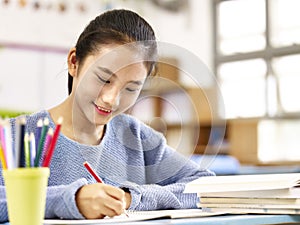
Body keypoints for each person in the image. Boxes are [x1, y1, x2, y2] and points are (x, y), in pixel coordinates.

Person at [0, 9, 214, 221]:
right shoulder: (16, 138)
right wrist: (71, 200)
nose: (112, 99)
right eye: (103, 79)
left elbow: (206, 186)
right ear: (74, 62)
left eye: (131, 88)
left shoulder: (137, 138)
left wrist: (131, 198)